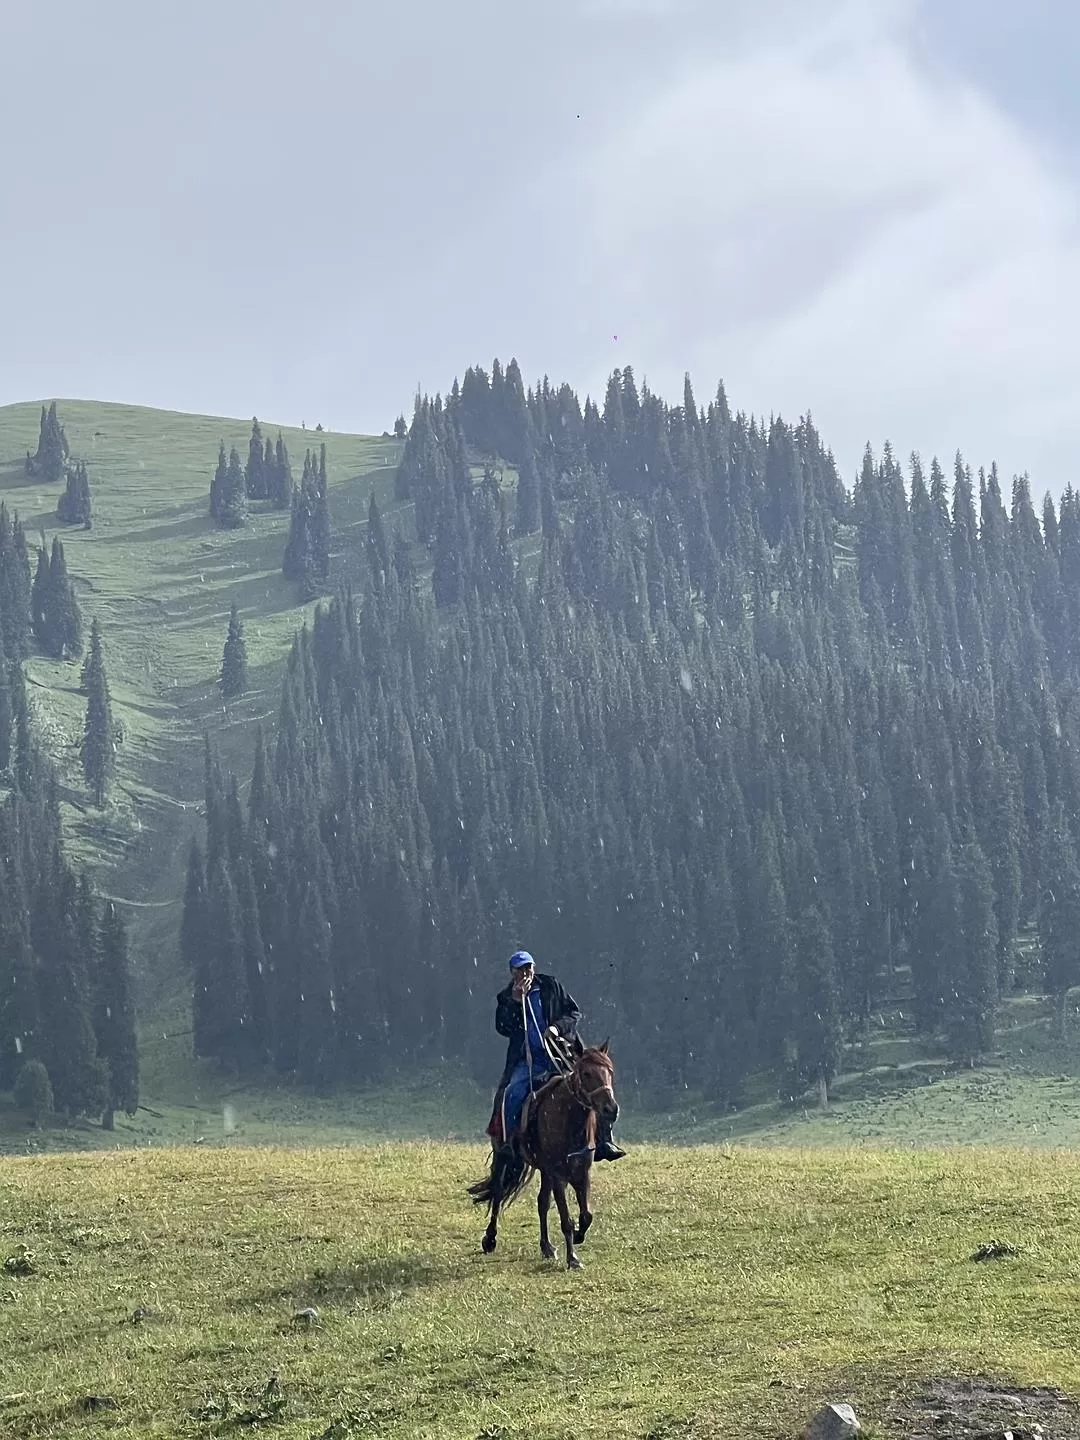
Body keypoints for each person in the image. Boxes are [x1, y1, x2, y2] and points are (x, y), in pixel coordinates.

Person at [488, 950, 626, 1162]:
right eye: (520, 970)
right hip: (529, 1061)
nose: (525, 973)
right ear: (512, 973)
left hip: (561, 1054)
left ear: (534, 968)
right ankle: (509, 1144)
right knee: (512, 1093)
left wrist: (556, 1028)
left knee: (594, 1084)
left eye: (528, 968)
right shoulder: (506, 998)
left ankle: (603, 1140)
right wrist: (516, 1002)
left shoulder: (550, 987)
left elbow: (573, 1013)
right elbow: (503, 1027)